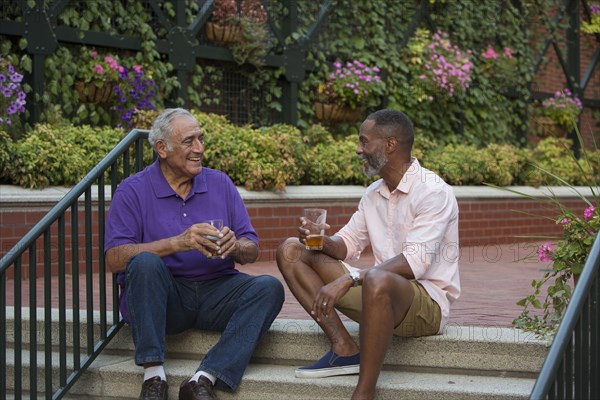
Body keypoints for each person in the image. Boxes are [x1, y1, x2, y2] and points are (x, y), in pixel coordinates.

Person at [276, 109, 460, 400]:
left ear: (389, 145)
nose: (358, 149)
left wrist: (351, 279)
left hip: (426, 306)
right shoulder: (374, 193)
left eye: (364, 141)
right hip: (378, 293)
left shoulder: (434, 192)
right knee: (290, 251)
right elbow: (347, 244)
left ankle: (364, 393)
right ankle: (344, 349)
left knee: (376, 278)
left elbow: (414, 263)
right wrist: (321, 240)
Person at [105, 108, 284, 400]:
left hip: (218, 291)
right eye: (189, 141)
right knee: (145, 263)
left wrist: (235, 246)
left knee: (269, 287)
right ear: (162, 148)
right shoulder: (133, 190)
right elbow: (114, 258)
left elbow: (252, 246)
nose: (199, 148)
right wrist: (176, 243)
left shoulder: (220, 183)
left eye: (200, 139)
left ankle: (202, 379)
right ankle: (153, 377)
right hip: (167, 299)